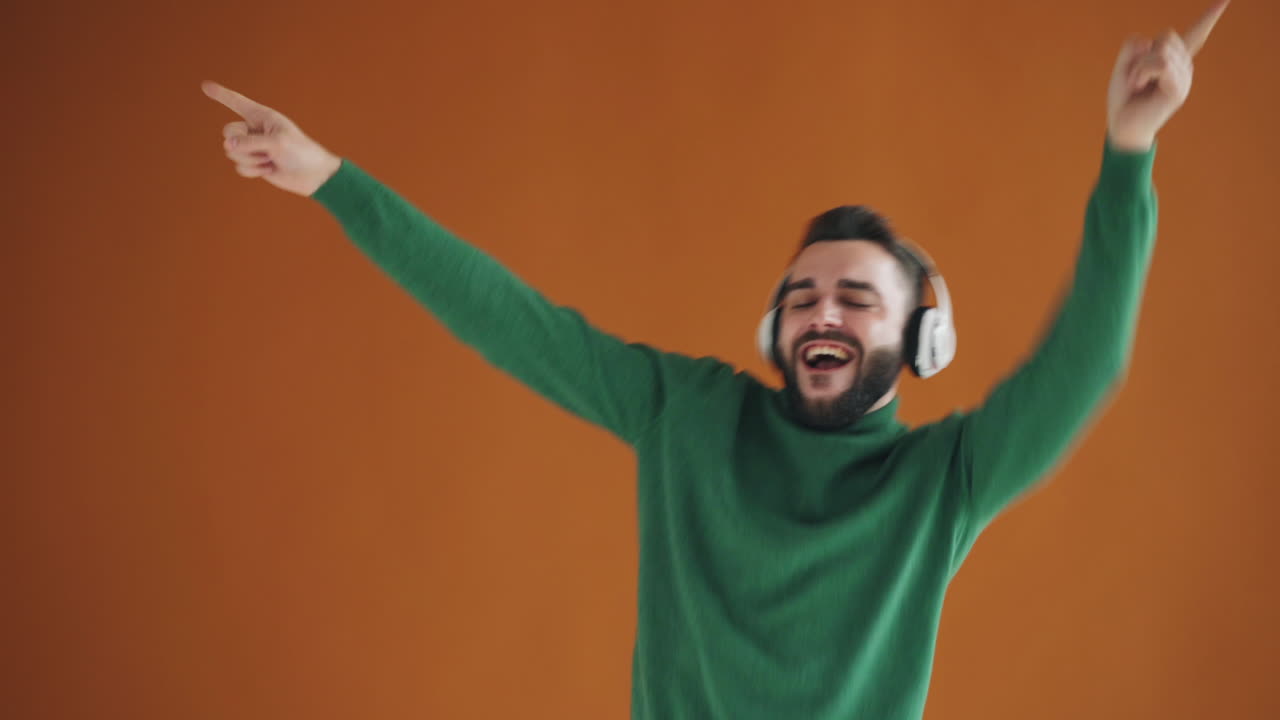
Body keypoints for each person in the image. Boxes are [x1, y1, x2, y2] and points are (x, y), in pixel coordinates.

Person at [202, 3, 1227, 717]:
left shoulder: (941, 484)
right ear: (772, 328)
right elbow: (506, 316)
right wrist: (330, 180)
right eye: (802, 294)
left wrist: (1128, 150)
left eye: (857, 299)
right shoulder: (683, 412)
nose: (821, 310)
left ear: (920, 340)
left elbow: (1084, 362)